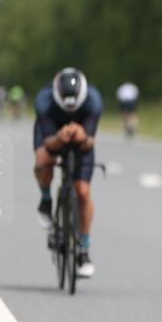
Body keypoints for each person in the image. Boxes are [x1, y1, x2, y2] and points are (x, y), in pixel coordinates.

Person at [33, 68, 103, 278]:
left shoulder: (93, 100)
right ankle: (46, 199)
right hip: (52, 132)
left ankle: (83, 248)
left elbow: (89, 141)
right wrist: (59, 138)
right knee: (44, 159)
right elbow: (47, 143)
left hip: (81, 139)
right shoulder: (44, 101)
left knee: (82, 191)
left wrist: (82, 137)